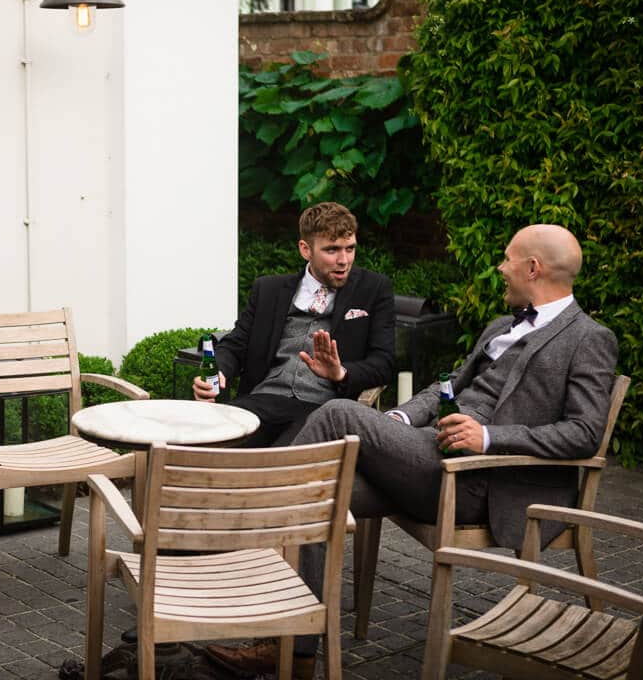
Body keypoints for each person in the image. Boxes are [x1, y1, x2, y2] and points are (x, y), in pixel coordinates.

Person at [209, 223, 619, 679]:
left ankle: (234, 525)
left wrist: (488, 438)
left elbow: (584, 432)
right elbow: (446, 387)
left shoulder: (588, 338)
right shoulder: (501, 325)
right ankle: (292, 652)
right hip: (430, 457)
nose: (501, 268)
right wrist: (399, 420)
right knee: (319, 493)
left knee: (339, 415)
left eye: (507, 259)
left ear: (534, 268)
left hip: (482, 480)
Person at [193, 202, 396, 448]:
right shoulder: (269, 289)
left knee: (284, 463)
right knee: (204, 448)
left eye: (350, 249)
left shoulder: (373, 289)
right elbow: (236, 344)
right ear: (305, 249)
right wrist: (219, 371)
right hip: (261, 401)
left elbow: (384, 363)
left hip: (321, 411)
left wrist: (340, 373)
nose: (344, 260)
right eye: (332, 250)